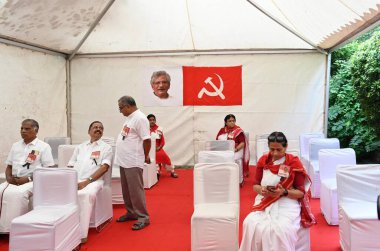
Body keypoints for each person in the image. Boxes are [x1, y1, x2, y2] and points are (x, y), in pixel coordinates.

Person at [239, 132, 316, 251]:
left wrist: (284, 192)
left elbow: (301, 192)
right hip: (265, 200)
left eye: (279, 150)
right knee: (249, 223)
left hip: (287, 201)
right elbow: (255, 185)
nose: (275, 153)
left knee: (280, 230)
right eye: (272, 149)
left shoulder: (293, 162)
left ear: (286, 147)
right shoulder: (263, 160)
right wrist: (262, 190)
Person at [0, 119, 54, 232]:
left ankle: (14, 229)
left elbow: (48, 169)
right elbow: (9, 166)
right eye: (22, 128)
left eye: (27, 129)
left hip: (33, 181)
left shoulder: (43, 147)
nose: (23, 131)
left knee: (18, 194)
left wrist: (28, 178)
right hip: (13, 180)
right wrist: (9, 178)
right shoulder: (15, 146)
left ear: (36, 130)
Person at [67, 121, 112, 243]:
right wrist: (70, 181)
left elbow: (104, 168)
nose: (98, 129)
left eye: (101, 128)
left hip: (94, 181)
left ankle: (81, 234)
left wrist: (87, 182)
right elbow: (70, 165)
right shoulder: (80, 147)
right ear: (89, 131)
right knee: (63, 193)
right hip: (76, 179)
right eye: (95, 127)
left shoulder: (106, 148)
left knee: (85, 195)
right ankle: (66, 227)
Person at [114, 96, 151, 230]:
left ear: (128, 106)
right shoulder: (129, 118)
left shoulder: (140, 118)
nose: (120, 111)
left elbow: (147, 140)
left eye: (120, 108)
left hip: (133, 160)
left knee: (136, 190)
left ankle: (143, 217)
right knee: (126, 190)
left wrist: (145, 156)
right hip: (124, 160)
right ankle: (131, 212)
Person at [216, 114, 250, 183]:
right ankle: (224, 178)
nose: (232, 122)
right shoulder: (222, 130)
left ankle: (238, 180)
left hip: (237, 150)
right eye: (230, 121)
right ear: (226, 122)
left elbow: (242, 143)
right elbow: (217, 141)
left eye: (233, 121)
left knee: (232, 158)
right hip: (224, 150)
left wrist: (235, 149)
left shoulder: (238, 131)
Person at [147, 114, 178, 179]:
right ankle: (156, 173)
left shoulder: (159, 129)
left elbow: (162, 141)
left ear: (155, 121)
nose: (152, 121)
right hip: (149, 148)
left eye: (153, 120)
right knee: (153, 158)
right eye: (150, 120)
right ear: (147, 121)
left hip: (158, 148)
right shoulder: (145, 129)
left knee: (165, 157)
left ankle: (172, 171)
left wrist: (159, 148)